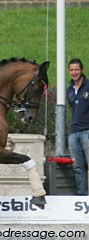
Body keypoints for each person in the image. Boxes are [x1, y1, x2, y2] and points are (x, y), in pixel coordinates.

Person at [66, 58, 89, 195]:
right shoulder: (69, 90)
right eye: (71, 70)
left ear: (82, 70)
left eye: (76, 69)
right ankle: (82, 196)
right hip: (73, 133)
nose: (74, 72)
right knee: (78, 167)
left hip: (87, 132)